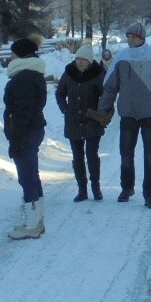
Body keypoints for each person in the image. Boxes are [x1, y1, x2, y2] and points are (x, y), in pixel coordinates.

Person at [97, 20, 151, 209]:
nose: (129, 38)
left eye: (132, 35)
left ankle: (150, 194)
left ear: (141, 37)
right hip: (128, 114)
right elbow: (109, 87)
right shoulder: (120, 58)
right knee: (126, 154)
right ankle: (127, 187)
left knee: (150, 156)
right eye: (127, 35)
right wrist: (103, 109)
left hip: (149, 114)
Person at [4, 36, 48, 238]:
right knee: (31, 173)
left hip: (26, 132)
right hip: (32, 130)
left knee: (27, 176)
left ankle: (32, 225)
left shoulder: (24, 77)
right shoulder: (32, 74)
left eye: (13, 52)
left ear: (20, 54)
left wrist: (16, 141)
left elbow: (22, 112)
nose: (10, 56)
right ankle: (35, 219)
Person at [56, 43, 106, 202]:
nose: (79, 62)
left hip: (92, 121)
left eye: (83, 59)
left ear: (90, 61)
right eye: (77, 58)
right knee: (77, 157)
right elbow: (60, 94)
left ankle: (96, 188)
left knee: (92, 155)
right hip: (73, 121)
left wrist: (100, 115)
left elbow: (105, 98)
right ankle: (82, 190)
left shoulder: (98, 74)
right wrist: (65, 109)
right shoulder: (69, 73)